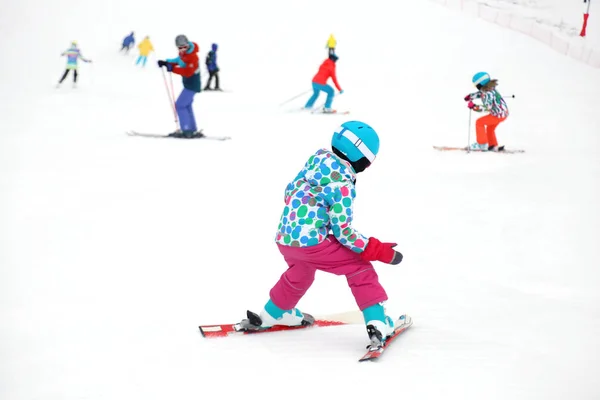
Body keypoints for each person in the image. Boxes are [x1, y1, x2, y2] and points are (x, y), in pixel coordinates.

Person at [238, 120, 409, 347]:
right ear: (364, 162)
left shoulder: (316, 160)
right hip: (313, 243)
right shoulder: (343, 186)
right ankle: (378, 323)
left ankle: (275, 313)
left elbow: (289, 191)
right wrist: (376, 250)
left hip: (286, 237)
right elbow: (344, 231)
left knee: (301, 271)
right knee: (360, 267)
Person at [157, 35, 202, 138]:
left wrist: (172, 69)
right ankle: (192, 129)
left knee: (180, 105)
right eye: (179, 47)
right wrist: (166, 62)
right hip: (189, 84)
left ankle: (186, 129)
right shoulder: (184, 54)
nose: (182, 49)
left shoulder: (193, 56)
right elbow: (178, 60)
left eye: (184, 47)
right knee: (186, 105)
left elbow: (188, 72)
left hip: (192, 85)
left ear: (188, 44)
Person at [464, 72, 510, 151]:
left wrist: (474, 107)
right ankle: (492, 145)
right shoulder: (488, 89)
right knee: (490, 128)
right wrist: (471, 96)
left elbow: (487, 108)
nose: (476, 87)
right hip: (502, 114)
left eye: (476, 85)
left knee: (479, 122)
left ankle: (481, 144)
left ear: (480, 84)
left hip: (497, 115)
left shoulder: (488, 93)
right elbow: (481, 94)